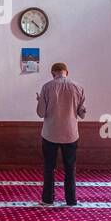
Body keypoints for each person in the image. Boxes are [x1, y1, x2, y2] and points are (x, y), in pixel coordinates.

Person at [36, 62, 86, 206]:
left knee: (49, 167)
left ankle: (47, 199)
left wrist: (40, 101)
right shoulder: (78, 87)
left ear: (52, 74)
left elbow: (41, 113)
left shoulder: (47, 87)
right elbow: (82, 114)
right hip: (70, 134)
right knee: (70, 168)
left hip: (50, 133)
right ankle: (71, 200)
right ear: (67, 72)